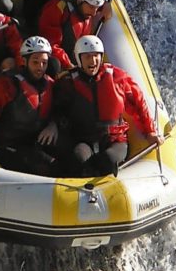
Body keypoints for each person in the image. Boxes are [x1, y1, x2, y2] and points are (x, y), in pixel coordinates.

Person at [54, 35, 164, 177]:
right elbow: (56, 108)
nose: (93, 61)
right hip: (84, 139)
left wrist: (150, 131)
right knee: (78, 159)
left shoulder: (118, 77)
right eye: (87, 57)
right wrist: (54, 125)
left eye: (96, 56)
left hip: (114, 140)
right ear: (78, 58)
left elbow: (138, 103)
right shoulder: (67, 82)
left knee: (107, 161)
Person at [0, 36, 65, 176]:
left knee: (69, 153)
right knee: (47, 166)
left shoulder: (49, 83)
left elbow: (58, 109)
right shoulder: (7, 85)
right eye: (35, 62)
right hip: (9, 145)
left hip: (34, 140)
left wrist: (53, 124)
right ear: (24, 61)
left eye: (44, 62)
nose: (40, 67)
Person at [38, 0, 111, 74]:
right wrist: (69, 65)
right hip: (57, 55)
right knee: (54, 65)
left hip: (74, 53)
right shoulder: (57, 9)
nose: (94, 13)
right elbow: (51, 44)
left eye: (97, 8)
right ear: (80, 0)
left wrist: (106, 5)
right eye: (91, 7)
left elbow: (96, 4)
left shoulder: (87, 5)